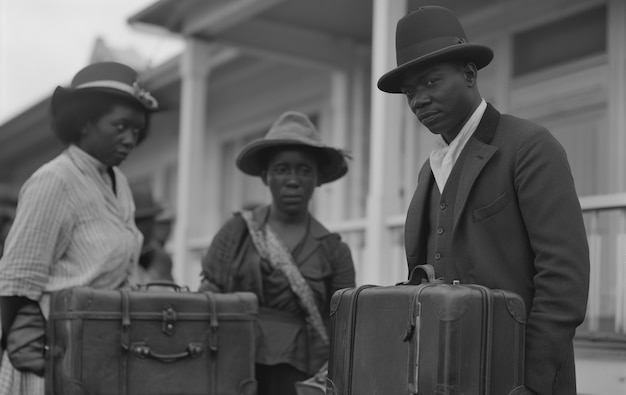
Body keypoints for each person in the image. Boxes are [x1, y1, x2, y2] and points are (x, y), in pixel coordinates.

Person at [377, 6, 590, 395]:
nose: (419, 100)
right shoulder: (430, 170)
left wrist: (528, 381)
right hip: (443, 376)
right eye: (410, 92)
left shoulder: (528, 146)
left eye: (430, 82)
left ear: (470, 75)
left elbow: (564, 282)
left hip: (519, 379)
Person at [0, 61, 158, 395]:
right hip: (52, 353)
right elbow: (17, 282)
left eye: (136, 130)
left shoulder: (120, 183)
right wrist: (25, 347)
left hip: (106, 350)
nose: (130, 139)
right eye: (120, 126)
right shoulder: (55, 180)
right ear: (85, 123)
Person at [199, 111, 356, 395]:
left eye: (304, 170)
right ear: (265, 176)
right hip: (234, 363)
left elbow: (344, 327)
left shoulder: (335, 249)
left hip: (301, 374)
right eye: (282, 169)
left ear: (318, 178)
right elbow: (207, 298)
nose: (293, 180)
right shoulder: (236, 233)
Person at [130, 180, 174, 283]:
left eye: (150, 220)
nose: (149, 227)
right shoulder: (120, 254)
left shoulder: (160, 257)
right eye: (141, 221)